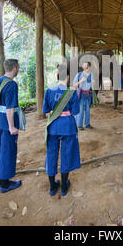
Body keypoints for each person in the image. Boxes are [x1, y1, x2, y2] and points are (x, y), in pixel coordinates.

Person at [43, 63, 81, 196]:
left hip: (53, 126)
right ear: (68, 76)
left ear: (57, 76)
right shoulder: (71, 92)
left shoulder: (49, 91)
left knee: (51, 155)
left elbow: (46, 111)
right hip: (68, 127)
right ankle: (64, 186)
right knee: (67, 154)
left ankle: (52, 187)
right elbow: (75, 111)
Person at [0, 59, 22, 193]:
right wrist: (12, 127)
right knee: (7, 151)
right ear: (14, 68)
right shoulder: (12, 85)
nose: (18, 70)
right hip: (7, 122)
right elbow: (10, 108)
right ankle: (5, 183)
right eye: (18, 67)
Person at [73, 62, 93, 130]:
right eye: (85, 65)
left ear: (90, 67)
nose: (86, 67)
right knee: (80, 110)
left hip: (88, 95)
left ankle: (87, 124)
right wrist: (80, 81)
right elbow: (74, 85)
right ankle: (79, 125)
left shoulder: (92, 75)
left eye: (88, 65)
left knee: (88, 110)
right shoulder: (79, 75)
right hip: (81, 94)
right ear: (82, 66)